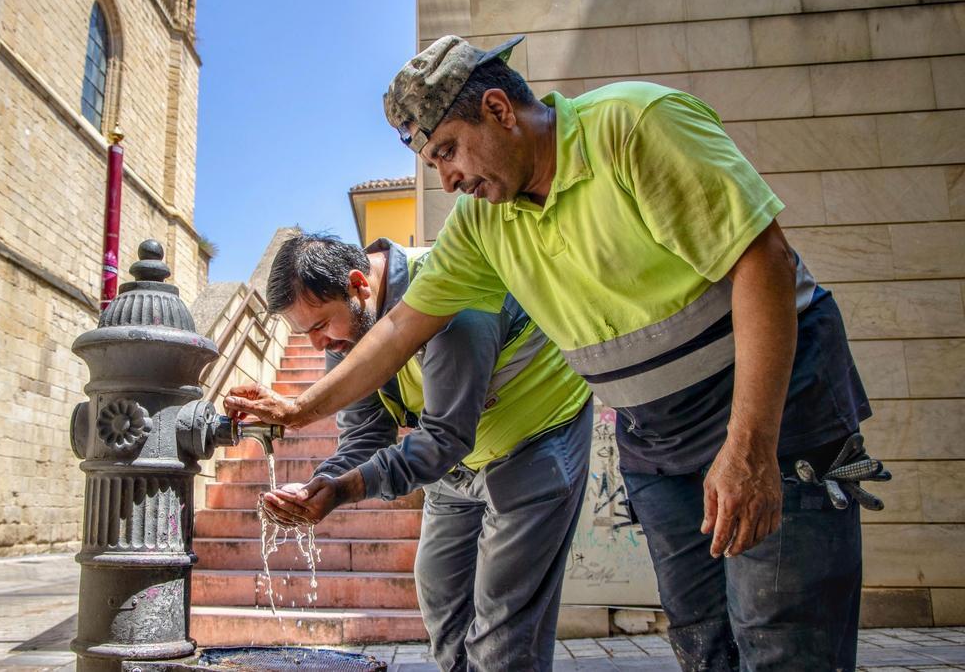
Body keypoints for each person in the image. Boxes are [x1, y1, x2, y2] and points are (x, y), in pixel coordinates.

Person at [226, 36, 886, 671]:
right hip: (656, 437)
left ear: (498, 109)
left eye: (450, 151)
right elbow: (398, 331)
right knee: (702, 636)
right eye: (435, 164)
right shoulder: (483, 224)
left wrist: (751, 444)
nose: (450, 179)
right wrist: (297, 408)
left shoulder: (633, 126)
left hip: (768, 406)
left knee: (780, 634)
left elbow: (762, 259)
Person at [238, 232, 593, 671]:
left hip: (535, 436)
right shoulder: (348, 332)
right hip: (457, 464)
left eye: (319, 326)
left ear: (357, 284)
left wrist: (345, 490)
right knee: (442, 599)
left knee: (503, 627)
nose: (318, 346)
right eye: (304, 333)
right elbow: (367, 433)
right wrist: (322, 483)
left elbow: (445, 437)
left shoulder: (449, 288)